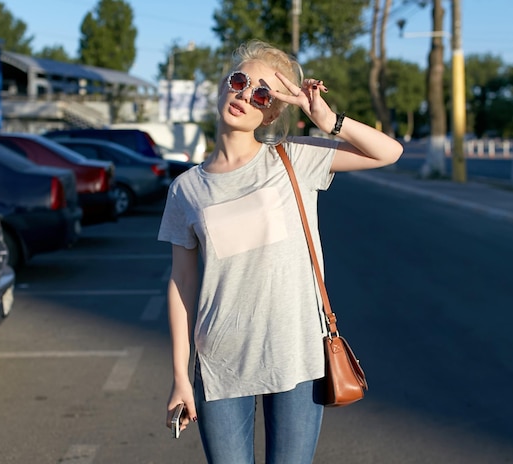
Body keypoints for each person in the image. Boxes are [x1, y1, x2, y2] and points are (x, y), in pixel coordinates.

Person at [159, 39, 403, 464]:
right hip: (220, 359)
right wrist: (181, 375)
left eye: (261, 94)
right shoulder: (186, 189)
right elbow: (182, 285)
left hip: (296, 353)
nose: (244, 95)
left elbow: (388, 152)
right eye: (239, 81)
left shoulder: (293, 158)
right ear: (222, 86)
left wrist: (327, 119)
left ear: (270, 113)